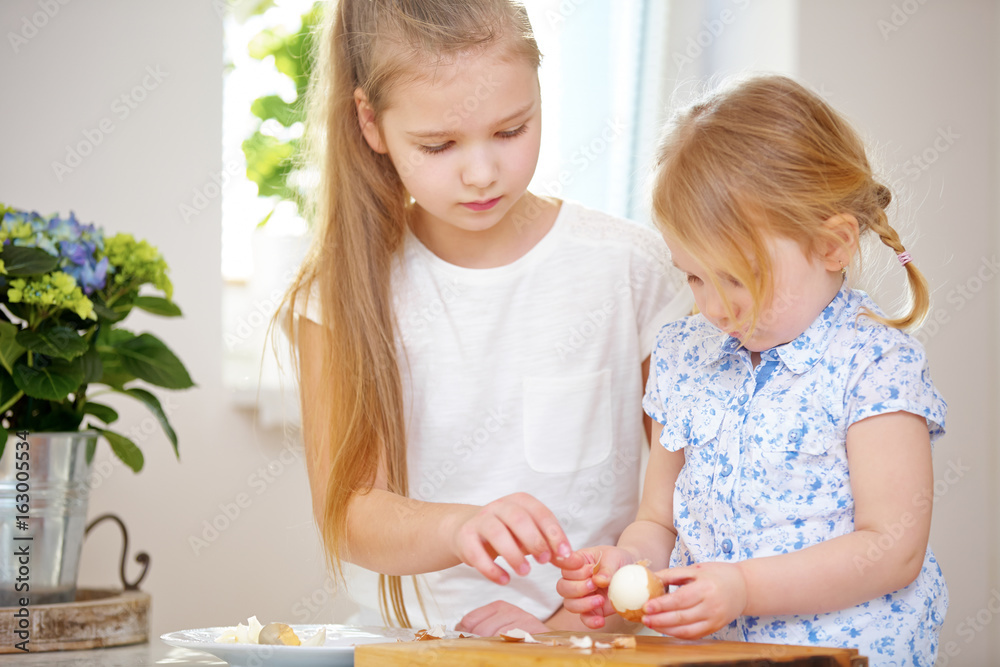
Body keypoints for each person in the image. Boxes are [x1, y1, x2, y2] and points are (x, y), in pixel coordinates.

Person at [277, 0, 691, 635]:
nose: (481, 173)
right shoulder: (339, 292)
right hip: (404, 646)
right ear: (371, 122)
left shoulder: (632, 269)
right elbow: (350, 515)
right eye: (439, 144)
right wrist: (459, 526)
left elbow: (685, 499)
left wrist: (565, 626)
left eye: (511, 130)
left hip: (591, 645)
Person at [556, 74, 947, 666]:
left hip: (843, 653)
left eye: (737, 278)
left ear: (832, 245)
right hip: (710, 655)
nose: (714, 308)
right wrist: (629, 565)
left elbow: (893, 550)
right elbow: (658, 520)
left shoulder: (873, 365)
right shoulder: (684, 355)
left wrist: (743, 587)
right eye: (694, 276)